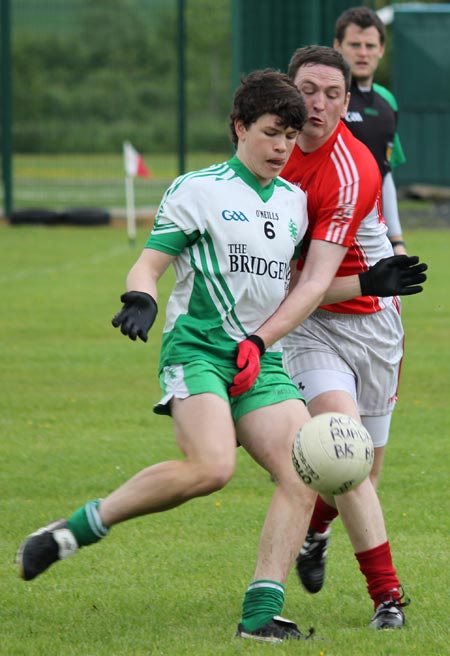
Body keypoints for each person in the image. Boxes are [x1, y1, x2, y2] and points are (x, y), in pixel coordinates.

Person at [229, 47, 427, 630]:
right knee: (346, 455)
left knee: (361, 466)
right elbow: (289, 282)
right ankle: (388, 599)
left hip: (370, 323)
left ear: (348, 103)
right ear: (287, 91)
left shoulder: (351, 168)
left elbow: (316, 280)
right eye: (306, 90)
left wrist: (367, 280)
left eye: (331, 95)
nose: (316, 105)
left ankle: (316, 529)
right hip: (309, 326)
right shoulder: (268, 151)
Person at [334, 6, 407, 255]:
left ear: (381, 50)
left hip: (373, 236)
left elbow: (384, 174)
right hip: (326, 228)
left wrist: (397, 241)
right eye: (354, 45)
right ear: (337, 46)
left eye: (370, 45)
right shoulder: (324, 100)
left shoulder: (388, 101)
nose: (363, 53)